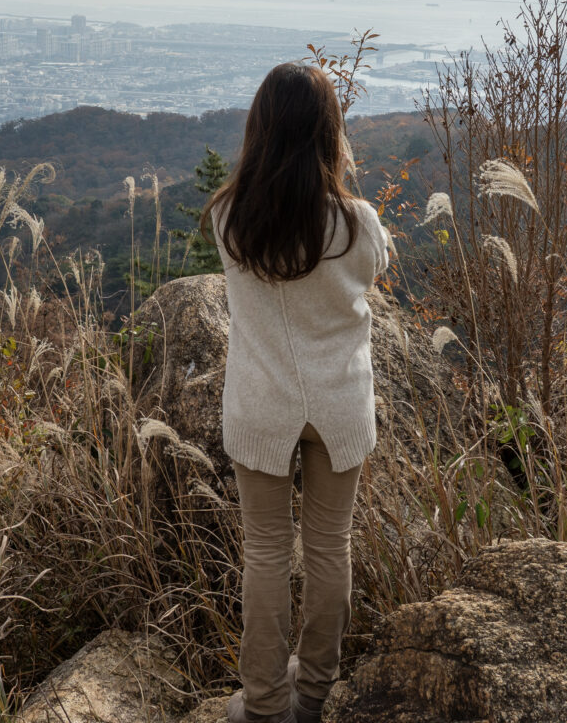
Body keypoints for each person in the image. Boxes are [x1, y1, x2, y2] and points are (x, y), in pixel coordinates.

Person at [203, 62, 391, 723]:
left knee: (265, 552)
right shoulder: (357, 223)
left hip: (261, 402)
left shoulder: (229, 217)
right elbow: (374, 273)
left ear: (259, 129)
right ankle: (313, 695)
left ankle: (262, 704)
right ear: (328, 131)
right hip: (339, 402)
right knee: (328, 547)